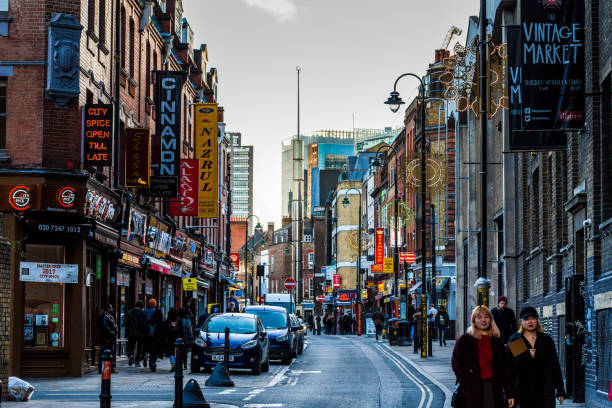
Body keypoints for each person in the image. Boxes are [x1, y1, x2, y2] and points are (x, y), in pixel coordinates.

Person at [451, 305, 515, 408]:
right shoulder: (464, 340)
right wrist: (465, 380)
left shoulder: (497, 342)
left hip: (493, 388)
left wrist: (510, 393)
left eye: (486, 316)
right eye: (479, 317)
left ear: (490, 319)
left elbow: (505, 369)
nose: (483, 320)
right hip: (471, 388)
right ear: (474, 320)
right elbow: (456, 363)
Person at [507, 306, 565, 408]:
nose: (530, 322)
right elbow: (513, 366)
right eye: (526, 319)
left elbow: (554, 365)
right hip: (523, 391)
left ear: (537, 320)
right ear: (521, 321)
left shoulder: (546, 340)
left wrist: (560, 389)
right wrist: (527, 356)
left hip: (544, 390)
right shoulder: (517, 339)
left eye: (533, 318)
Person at [99, 303, 119, 374]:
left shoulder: (108, 316)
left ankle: (110, 368)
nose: (112, 309)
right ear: (108, 309)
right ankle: (106, 368)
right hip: (107, 338)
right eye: (111, 308)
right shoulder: (105, 316)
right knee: (106, 353)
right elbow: (105, 326)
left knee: (109, 353)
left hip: (110, 338)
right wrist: (111, 332)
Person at [125, 300, 144, 366]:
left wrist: (127, 333)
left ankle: (131, 355)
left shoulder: (129, 312)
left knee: (131, 346)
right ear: (142, 306)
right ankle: (137, 362)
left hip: (131, 332)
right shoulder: (142, 312)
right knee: (139, 347)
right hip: (140, 333)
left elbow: (126, 324)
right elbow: (143, 323)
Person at [165, 308, 183, 372]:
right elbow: (182, 330)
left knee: (171, 352)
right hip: (178, 338)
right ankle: (177, 364)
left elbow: (165, 332)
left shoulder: (167, 321)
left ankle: (173, 365)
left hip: (170, 339)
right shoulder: (179, 321)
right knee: (177, 352)